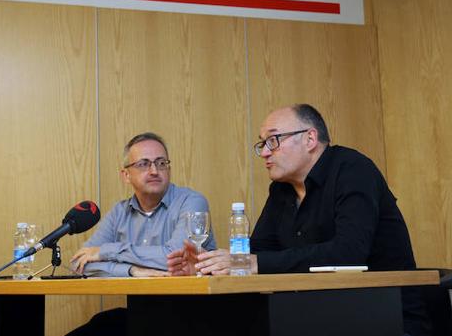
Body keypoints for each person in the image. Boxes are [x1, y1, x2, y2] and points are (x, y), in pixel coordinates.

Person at [167, 104, 430, 336]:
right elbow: (257, 253)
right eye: (262, 145)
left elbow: (348, 253)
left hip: (385, 313)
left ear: (310, 138)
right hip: (313, 313)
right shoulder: (282, 189)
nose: (265, 153)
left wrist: (252, 262)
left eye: (273, 141)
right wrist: (207, 268)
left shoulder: (353, 169)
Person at [71, 131, 216, 277]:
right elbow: (79, 262)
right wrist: (132, 271)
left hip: (193, 297)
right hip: (139, 297)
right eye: (143, 164)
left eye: (161, 163)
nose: (154, 171)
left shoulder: (192, 202)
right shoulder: (119, 213)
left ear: (169, 169)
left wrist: (107, 252)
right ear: (126, 175)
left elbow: (177, 258)